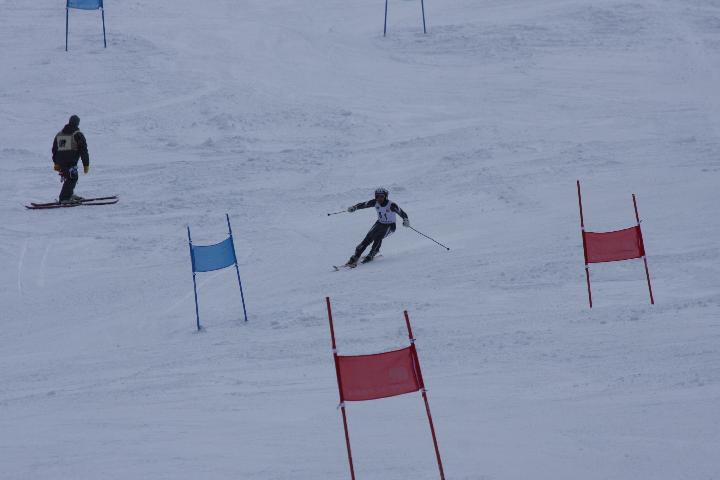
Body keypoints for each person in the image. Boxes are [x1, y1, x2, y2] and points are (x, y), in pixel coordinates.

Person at [345, 187, 410, 266]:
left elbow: (402, 213)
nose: (379, 198)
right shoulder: (375, 202)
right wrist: (354, 207)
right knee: (368, 237)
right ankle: (356, 255)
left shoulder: (391, 205)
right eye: (377, 196)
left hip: (390, 226)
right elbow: (363, 204)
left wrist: (405, 220)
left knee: (378, 236)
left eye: (381, 196)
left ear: (385, 196)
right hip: (379, 223)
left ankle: (373, 252)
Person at [52, 115, 90, 204]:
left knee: (70, 177)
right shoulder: (77, 135)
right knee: (72, 178)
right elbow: (83, 150)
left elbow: (55, 150)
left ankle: (69, 194)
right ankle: (64, 198)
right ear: (77, 123)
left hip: (61, 162)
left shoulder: (60, 134)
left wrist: (56, 163)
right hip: (71, 162)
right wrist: (86, 164)